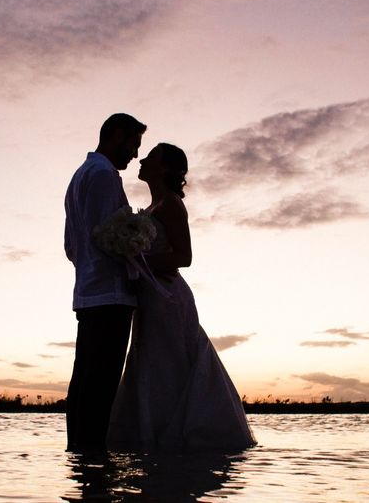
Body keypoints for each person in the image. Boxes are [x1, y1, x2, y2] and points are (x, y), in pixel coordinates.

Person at [106, 143, 256, 453]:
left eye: (151, 157)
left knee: (170, 363)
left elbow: (183, 257)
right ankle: (151, 438)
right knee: (149, 363)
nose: (142, 160)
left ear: (164, 168)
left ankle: (179, 438)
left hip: (168, 297)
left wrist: (136, 260)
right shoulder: (151, 208)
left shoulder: (172, 204)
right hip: (148, 297)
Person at [64, 112, 146, 451]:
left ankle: (80, 458)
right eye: (133, 144)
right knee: (100, 383)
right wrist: (134, 268)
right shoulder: (102, 175)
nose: (135, 154)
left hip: (90, 291)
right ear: (116, 135)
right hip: (110, 293)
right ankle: (92, 459)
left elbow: (72, 245)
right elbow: (107, 236)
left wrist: (87, 267)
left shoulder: (81, 176)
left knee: (85, 379)